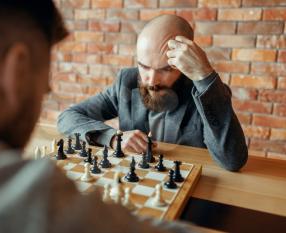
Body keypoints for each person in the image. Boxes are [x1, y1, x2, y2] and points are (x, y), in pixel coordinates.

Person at [0, 1, 196, 233]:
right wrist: (114, 138)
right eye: (45, 87)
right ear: (18, 72)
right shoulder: (22, 193)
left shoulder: (196, 91)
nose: (151, 79)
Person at [58, 15, 248, 172]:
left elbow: (232, 161)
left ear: (181, 63)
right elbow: (67, 117)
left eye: (165, 69)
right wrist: (113, 137)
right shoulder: (127, 81)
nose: (151, 80)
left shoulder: (207, 93)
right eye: (144, 66)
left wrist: (205, 75)